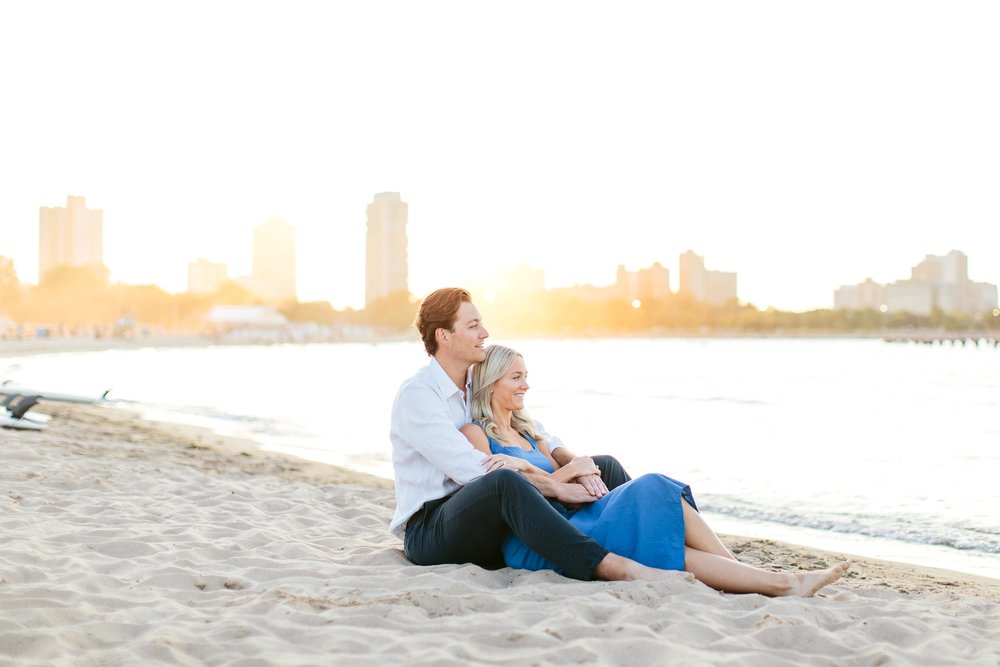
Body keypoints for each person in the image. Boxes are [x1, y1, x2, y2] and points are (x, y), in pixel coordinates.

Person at [459, 343, 851, 596]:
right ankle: (771, 581)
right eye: (517, 377)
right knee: (651, 491)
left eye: (526, 375)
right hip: (542, 535)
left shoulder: (531, 432)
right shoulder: (476, 433)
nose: (526, 385)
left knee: (660, 513)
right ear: (492, 383)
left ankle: (760, 579)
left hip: (578, 515)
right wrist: (563, 475)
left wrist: (576, 469)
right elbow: (502, 490)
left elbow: (572, 464)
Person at [391, 288, 683, 582]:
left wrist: (577, 466)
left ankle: (661, 538)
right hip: (434, 530)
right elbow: (474, 471)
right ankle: (611, 566)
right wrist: (556, 485)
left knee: (603, 464)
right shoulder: (419, 395)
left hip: (494, 517)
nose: (485, 332)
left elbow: (542, 436)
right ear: (443, 336)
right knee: (503, 481)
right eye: (473, 326)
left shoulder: (477, 382)